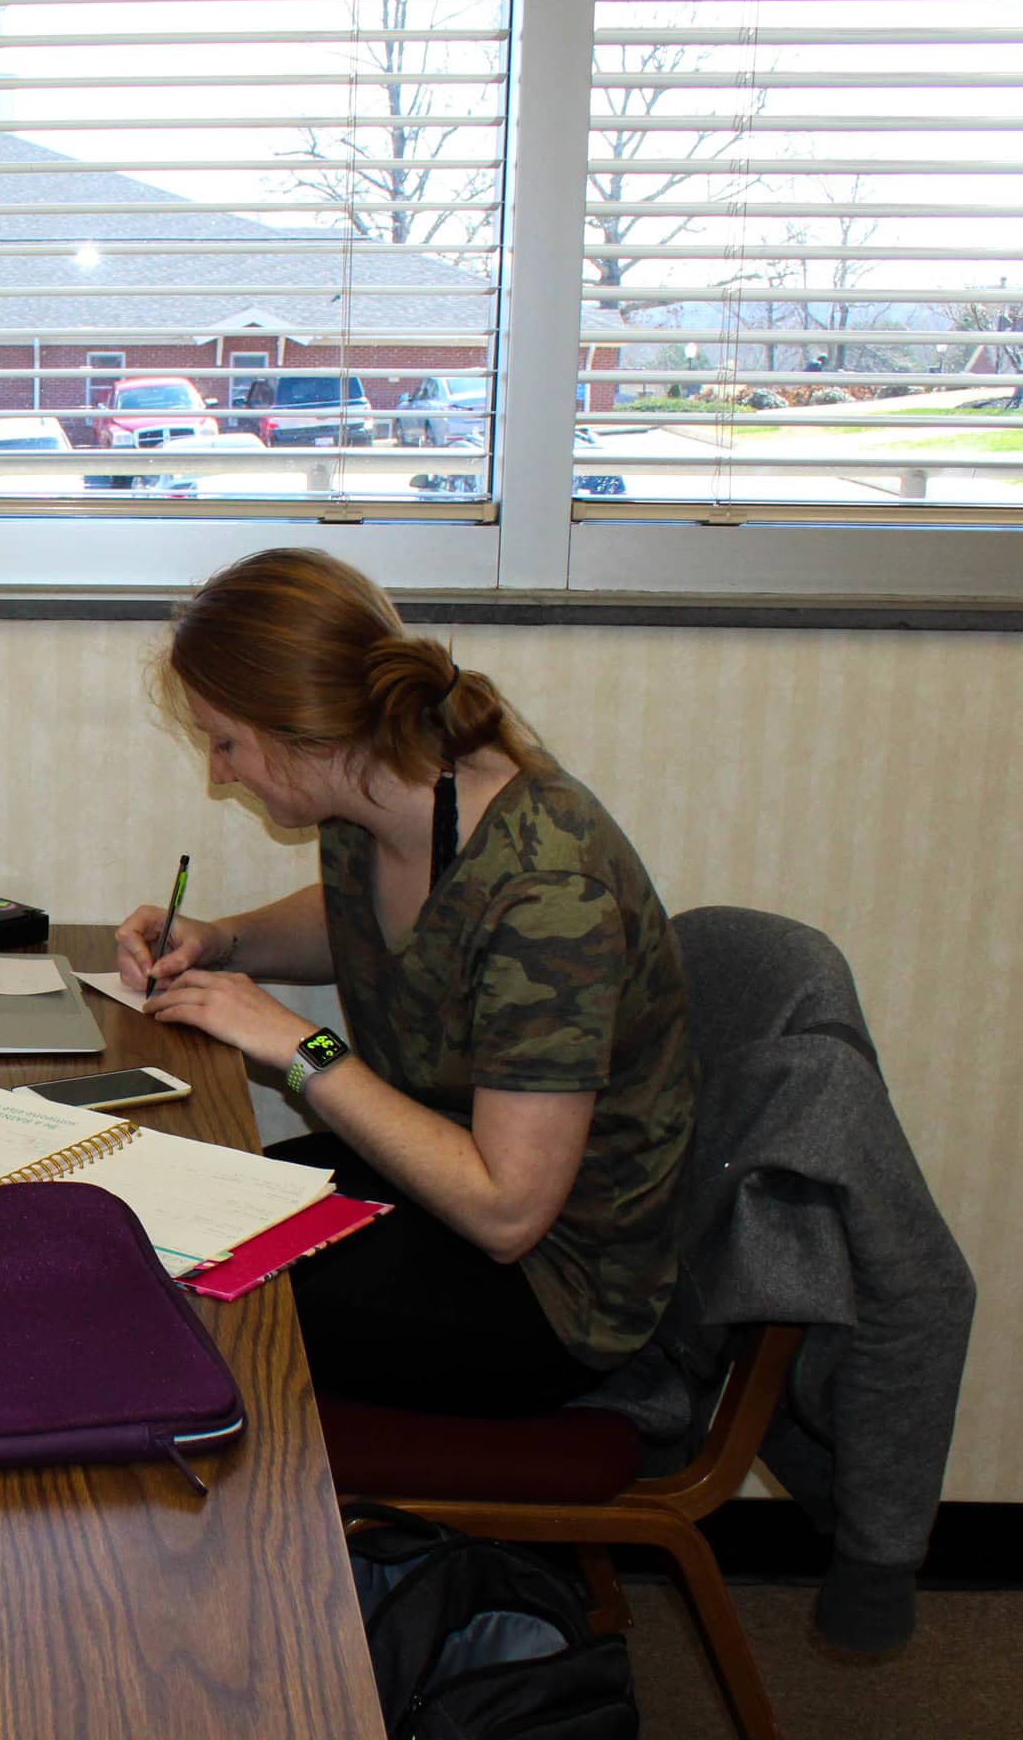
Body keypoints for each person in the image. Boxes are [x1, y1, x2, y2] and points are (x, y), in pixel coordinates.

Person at [116, 548, 693, 1417]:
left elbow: (507, 1211)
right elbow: (378, 919)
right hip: (428, 1187)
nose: (220, 771)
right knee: (159, 1214)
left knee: (190, 1299)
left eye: (227, 741)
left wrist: (298, 1044)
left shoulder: (550, 895)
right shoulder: (381, 796)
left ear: (301, 729)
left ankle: (245, 1548)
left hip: (551, 1289)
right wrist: (226, 940)